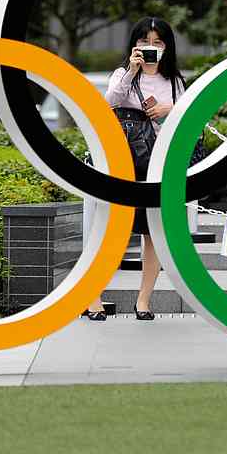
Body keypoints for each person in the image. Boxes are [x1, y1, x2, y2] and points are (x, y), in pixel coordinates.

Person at [85, 17, 186, 321]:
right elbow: (109, 102)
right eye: (144, 42)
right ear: (134, 45)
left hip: (156, 163)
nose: (151, 48)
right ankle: (92, 299)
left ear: (167, 47)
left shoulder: (175, 82)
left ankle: (144, 301)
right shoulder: (123, 74)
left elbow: (189, 120)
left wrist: (170, 109)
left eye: (158, 42)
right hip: (120, 160)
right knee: (107, 230)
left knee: (152, 232)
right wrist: (132, 70)